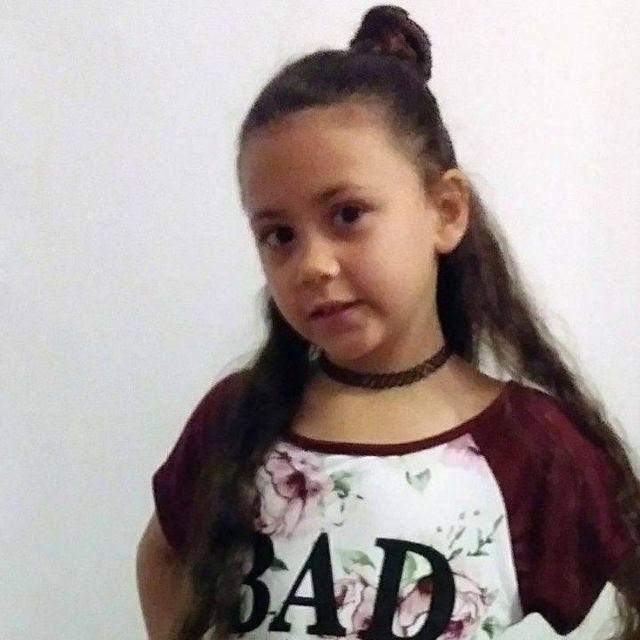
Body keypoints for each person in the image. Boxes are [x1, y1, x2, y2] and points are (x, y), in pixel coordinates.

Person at [135, 5, 640, 640]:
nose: (312, 265)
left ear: (445, 211)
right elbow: (162, 554)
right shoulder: (239, 419)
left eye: (347, 215)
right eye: (279, 235)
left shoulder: (530, 447)